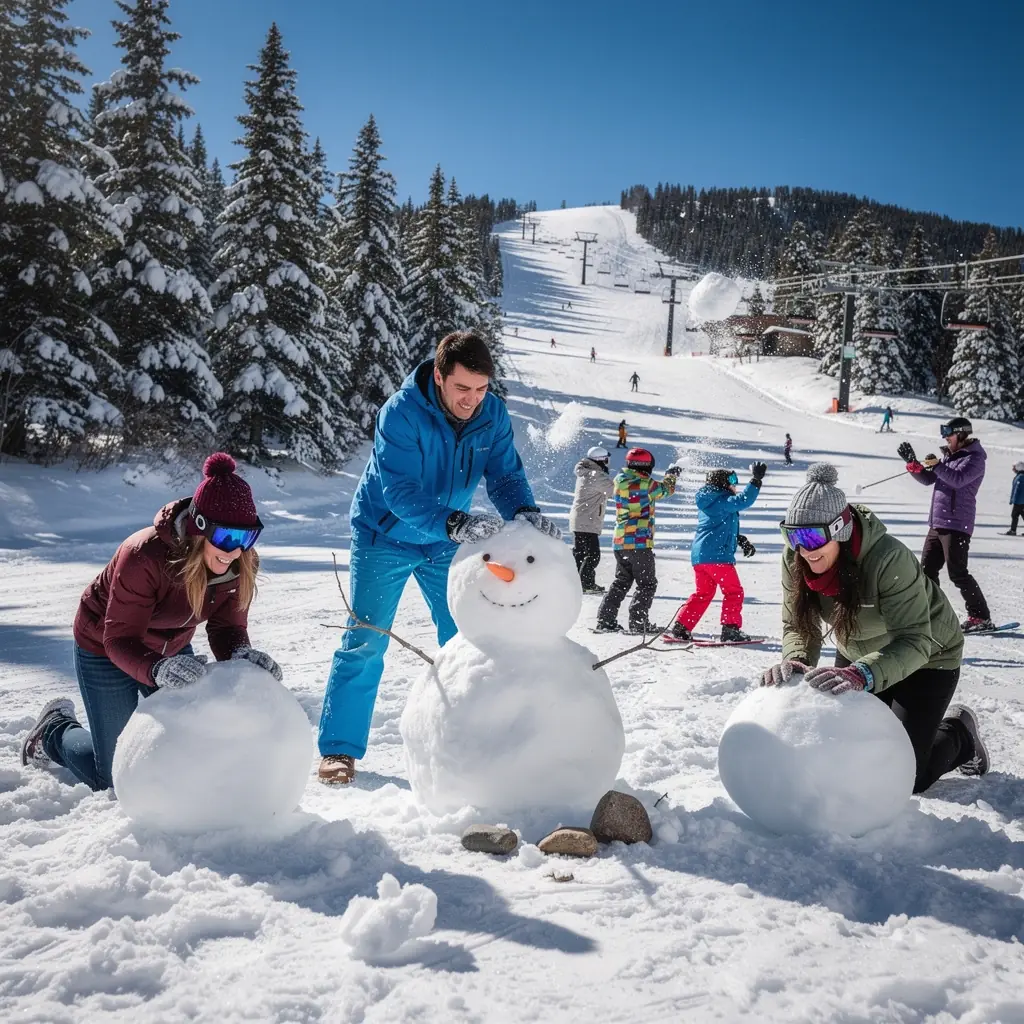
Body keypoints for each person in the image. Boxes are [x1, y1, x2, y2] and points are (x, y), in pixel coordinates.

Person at [318, 330, 559, 785]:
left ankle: (471, 739)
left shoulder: (492, 415)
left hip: (445, 538)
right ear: (439, 376)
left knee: (467, 636)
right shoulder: (400, 414)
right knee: (367, 637)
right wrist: (454, 524)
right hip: (383, 534)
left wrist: (525, 514)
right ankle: (338, 749)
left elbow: (505, 476)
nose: (473, 400)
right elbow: (399, 491)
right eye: (462, 388)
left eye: (482, 389)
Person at [20, 453, 279, 791]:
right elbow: (119, 639)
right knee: (115, 778)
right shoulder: (144, 555)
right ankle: (54, 731)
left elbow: (226, 627)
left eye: (247, 539)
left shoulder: (239, 562)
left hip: (171, 647)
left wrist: (241, 656)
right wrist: (157, 670)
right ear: (200, 528)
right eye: (228, 537)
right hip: (106, 645)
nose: (235, 551)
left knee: (196, 743)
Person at [761, 462, 988, 794]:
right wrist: (797, 659)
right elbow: (799, 622)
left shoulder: (887, 559)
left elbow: (914, 639)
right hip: (859, 651)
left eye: (812, 536)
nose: (803, 548)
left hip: (928, 655)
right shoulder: (794, 558)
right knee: (846, 752)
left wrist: (861, 673)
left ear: (839, 528)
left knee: (904, 776)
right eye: (792, 535)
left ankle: (960, 734)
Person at [899, 417, 994, 633]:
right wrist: (913, 464)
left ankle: (981, 616)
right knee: (927, 572)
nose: (945, 438)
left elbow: (958, 480)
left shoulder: (975, 458)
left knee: (957, 573)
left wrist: (939, 465)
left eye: (948, 434)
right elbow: (928, 480)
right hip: (938, 523)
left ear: (961, 434)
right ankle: (936, 615)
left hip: (957, 524)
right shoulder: (949, 457)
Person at [668, 462, 766, 643]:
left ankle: (682, 627)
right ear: (722, 483)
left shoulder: (709, 502)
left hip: (701, 557)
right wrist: (756, 480)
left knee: (703, 593)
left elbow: (718, 527)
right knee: (733, 592)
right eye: (732, 481)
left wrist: (739, 539)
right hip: (718, 557)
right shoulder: (723, 500)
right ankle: (730, 629)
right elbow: (744, 501)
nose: (734, 485)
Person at [595, 448, 680, 635]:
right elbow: (666, 490)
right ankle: (638, 622)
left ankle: (605, 619)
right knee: (647, 583)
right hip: (639, 542)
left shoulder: (619, 481)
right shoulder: (646, 483)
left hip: (620, 541)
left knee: (621, 581)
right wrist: (671, 476)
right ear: (646, 466)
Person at [570, 446, 615, 594]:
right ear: (602, 460)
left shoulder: (586, 472)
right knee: (593, 555)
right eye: (606, 459)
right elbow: (614, 491)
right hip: (587, 521)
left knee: (580, 554)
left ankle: (575, 583)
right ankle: (586, 584)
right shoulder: (596, 475)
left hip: (580, 520)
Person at [1006, 460, 1024, 535]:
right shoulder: (1019, 476)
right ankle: (1013, 530)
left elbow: (1017, 490)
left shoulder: (1021, 477)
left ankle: (1013, 530)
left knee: (1014, 515)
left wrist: (1014, 499)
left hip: (1020, 501)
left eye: (1014, 467)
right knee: (1016, 515)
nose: (1013, 469)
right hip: (1019, 500)